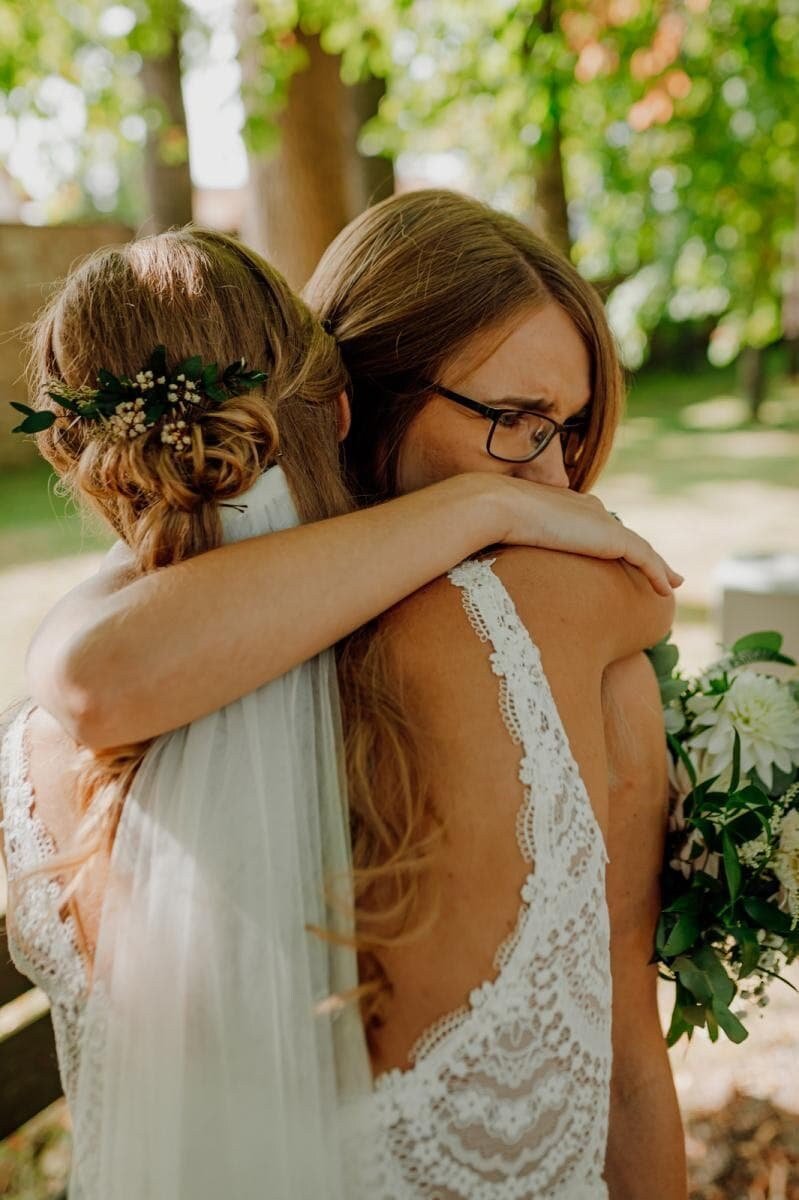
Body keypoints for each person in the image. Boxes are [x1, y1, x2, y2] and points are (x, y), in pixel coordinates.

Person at [6, 193, 686, 1196]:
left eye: (569, 431)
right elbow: (93, 668)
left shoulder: (45, 739)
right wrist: (476, 504)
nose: (560, 483)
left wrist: (483, 492)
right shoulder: (548, 619)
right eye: (514, 423)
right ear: (354, 399)